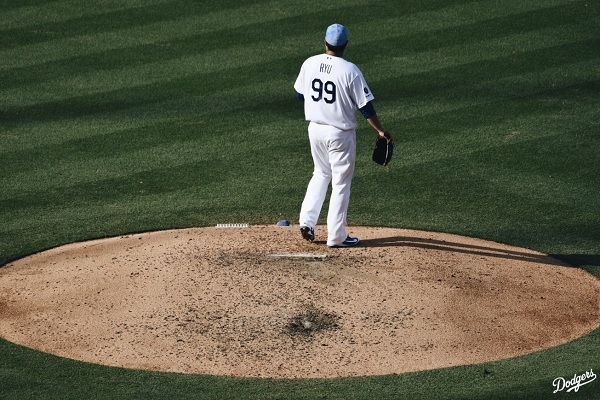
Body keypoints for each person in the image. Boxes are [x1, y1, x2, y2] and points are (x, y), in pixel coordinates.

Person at [294, 23, 389, 247]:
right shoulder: (350, 70)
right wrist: (380, 130)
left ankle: (307, 222)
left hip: (315, 130)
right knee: (341, 183)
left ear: (325, 43)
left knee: (320, 173)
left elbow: (300, 95)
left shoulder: (310, 63)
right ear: (345, 45)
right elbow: (366, 108)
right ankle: (336, 236)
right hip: (339, 134)